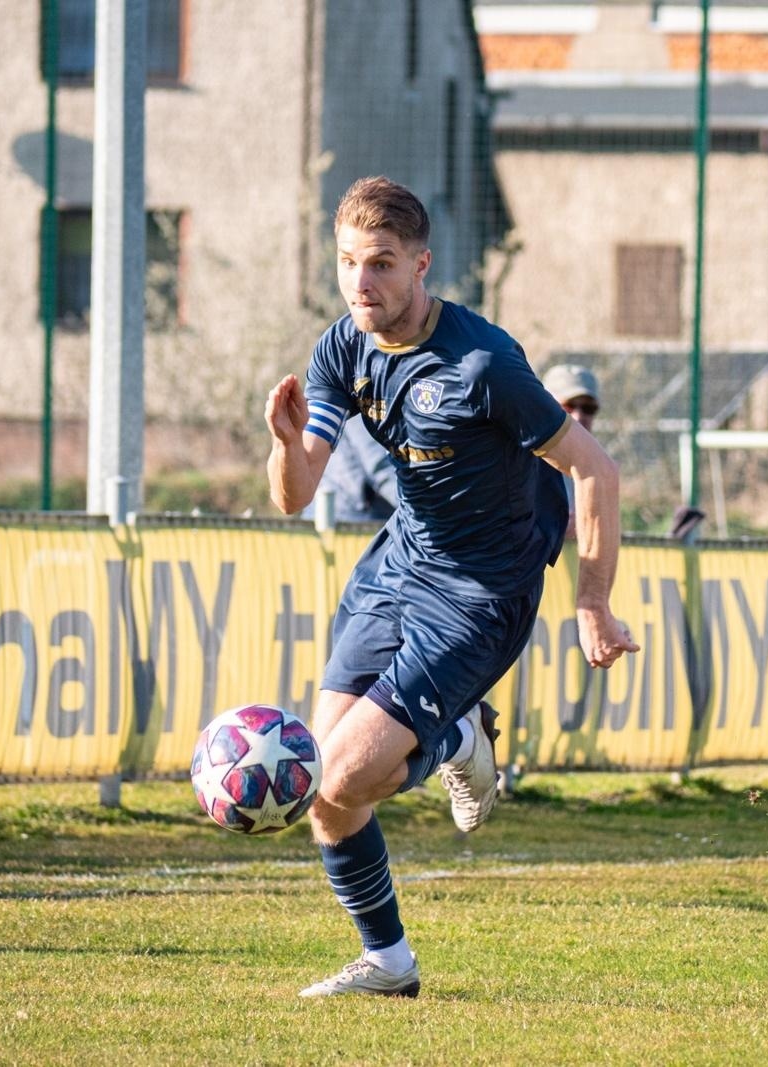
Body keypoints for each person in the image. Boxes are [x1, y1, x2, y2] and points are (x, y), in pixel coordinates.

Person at [265, 176, 640, 999]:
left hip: (480, 593)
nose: (362, 284)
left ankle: (458, 735)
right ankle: (390, 963)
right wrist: (286, 445)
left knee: (344, 777)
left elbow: (595, 469)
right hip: (397, 564)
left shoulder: (483, 361)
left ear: (422, 265)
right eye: (348, 264)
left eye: (382, 265)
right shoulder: (341, 347)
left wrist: (590, 600)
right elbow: (295, 495)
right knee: (319, 790)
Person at [299, 416, 397, 523]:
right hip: (356, 519)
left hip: (319, 512)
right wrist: (416, 506)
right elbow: (380, 467)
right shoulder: (361, 408)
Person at [541, 363, 600, 530]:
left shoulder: (598, 465)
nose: (579, 416)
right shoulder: (523, 460)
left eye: (588, 408)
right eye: (568, 406)